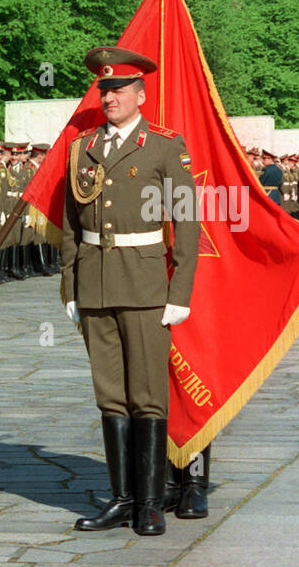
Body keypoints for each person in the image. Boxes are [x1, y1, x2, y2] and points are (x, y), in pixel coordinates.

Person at [61, 46, 200, 537]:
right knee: (110, 397)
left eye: (118, 90)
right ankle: (120, 500)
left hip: (145, 286)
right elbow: (70, 223)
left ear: (141, 94)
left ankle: (150, 503)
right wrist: (71, 286)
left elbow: (186, 222)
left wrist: (179, 292)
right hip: (96, 284)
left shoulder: (164, 145)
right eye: (104, 90)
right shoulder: (82, 147)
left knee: (147, 397)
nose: (109, 97)